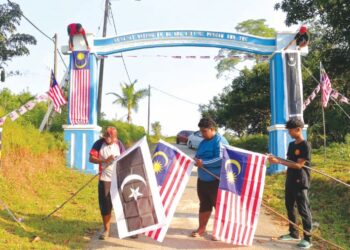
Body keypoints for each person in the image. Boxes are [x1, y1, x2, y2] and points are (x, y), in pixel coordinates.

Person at [267, 118, 313, 249]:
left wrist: (279, 162)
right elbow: (289, 160)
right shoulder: (292, 145)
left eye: (290, 130)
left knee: (303, 210)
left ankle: (308, 238)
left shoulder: (305, 145)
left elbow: (298, 165)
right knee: (289, 206)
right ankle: (293, 233)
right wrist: (274, 157)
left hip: (301, 181)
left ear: (298, 129)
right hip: (291, 180)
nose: (289, 133)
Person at [191, 117, 229, 240]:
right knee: (204, 204)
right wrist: (196, 160)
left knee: (219, 206)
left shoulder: (220, 141)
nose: (202, 134)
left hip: (216, 180)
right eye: (201, 131)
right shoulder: (203, 142)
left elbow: (221, 158)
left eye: (204, 131)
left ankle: (222, 231)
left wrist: (204, 163)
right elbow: (198, 156)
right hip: (202, 180)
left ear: (212, 129)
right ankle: (202, 228)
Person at [89, 126, 125, 240]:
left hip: (118, 179)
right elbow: (91, 158)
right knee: (105, 206)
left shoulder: (119, 144)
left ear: (115, 137)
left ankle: (128, 229)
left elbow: (125, 157)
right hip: (105, 179)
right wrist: (104, 161)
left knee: (122, 203)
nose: (109, 139)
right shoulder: (99, 144)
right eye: (107, 137)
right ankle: (106, 230)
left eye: (111, 137)